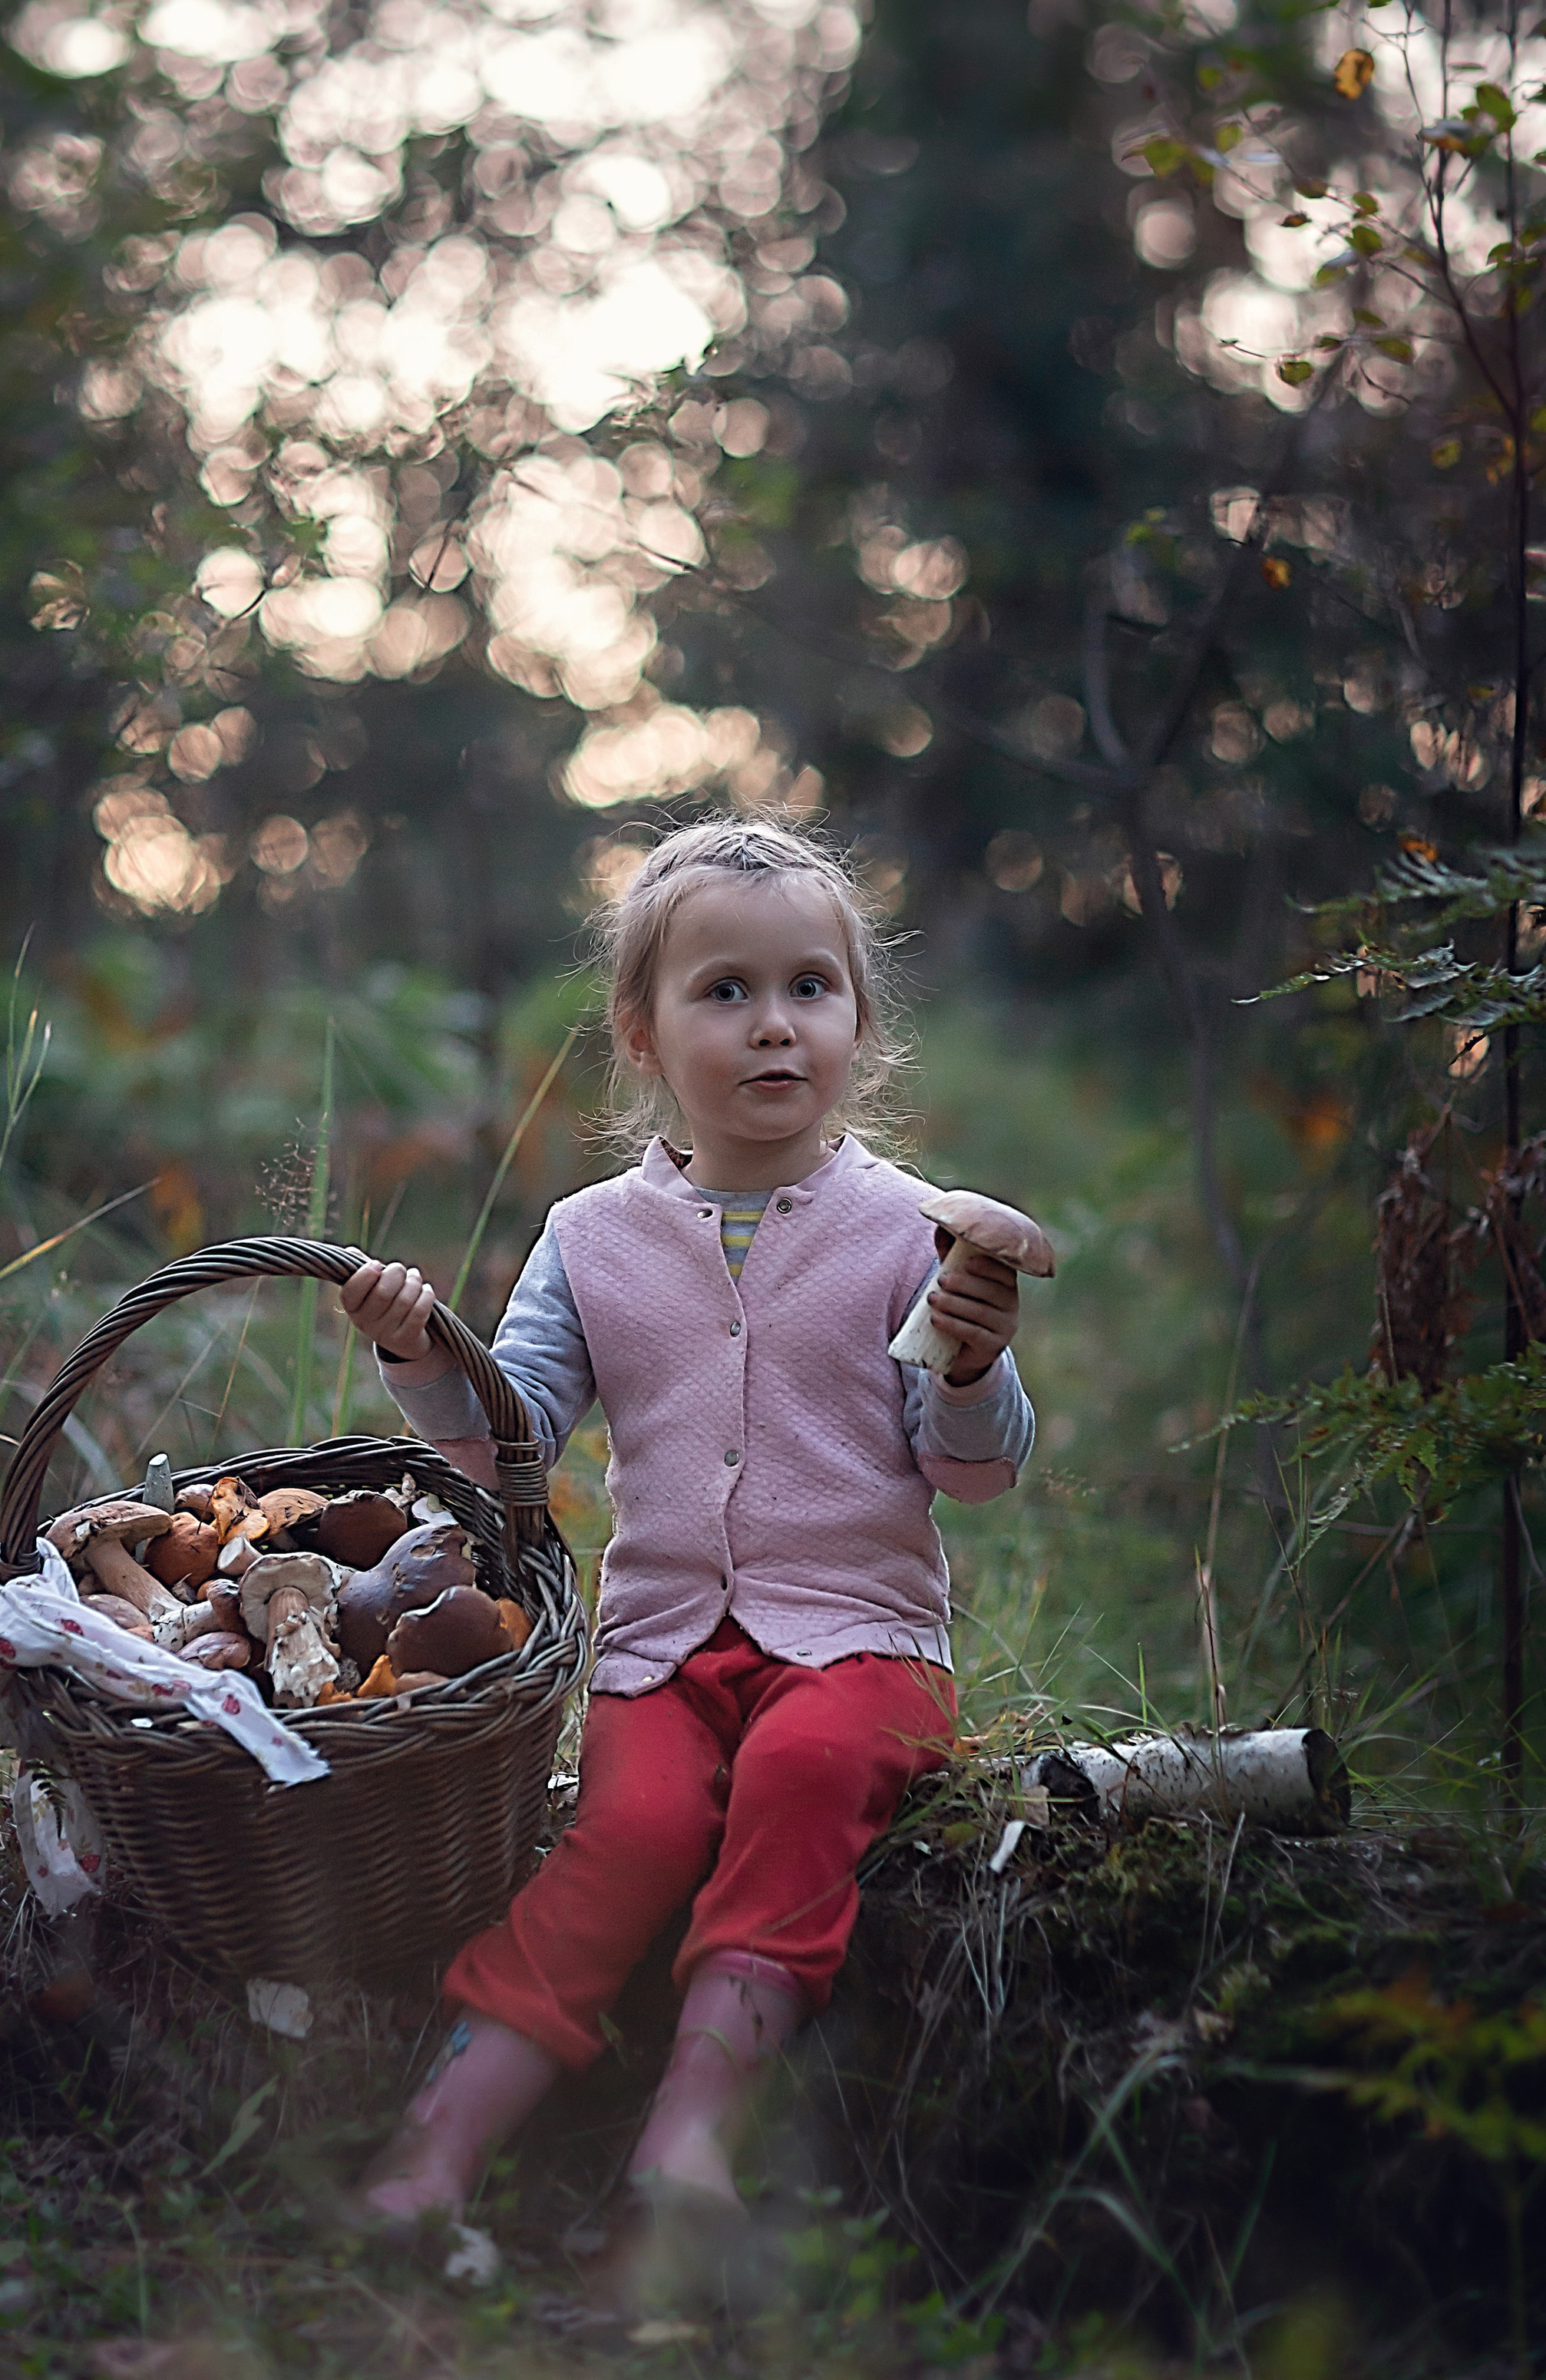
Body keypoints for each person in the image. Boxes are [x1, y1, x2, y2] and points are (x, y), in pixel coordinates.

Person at [338, 816, 1039, 2246]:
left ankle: (698, 2129)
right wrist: (420, 1354)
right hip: (661, 1647)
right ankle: (436, 2145)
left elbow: (969, 1474)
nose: (774, 1024)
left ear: (858, 1022)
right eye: (726, 990)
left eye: (809, 988)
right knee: (631, 1830)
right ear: (643, 1033)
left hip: (865, 1644)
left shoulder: (915, 1231)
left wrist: (974, 1366)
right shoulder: (590, 1237)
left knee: (802, 1772)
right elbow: (512, 1441)